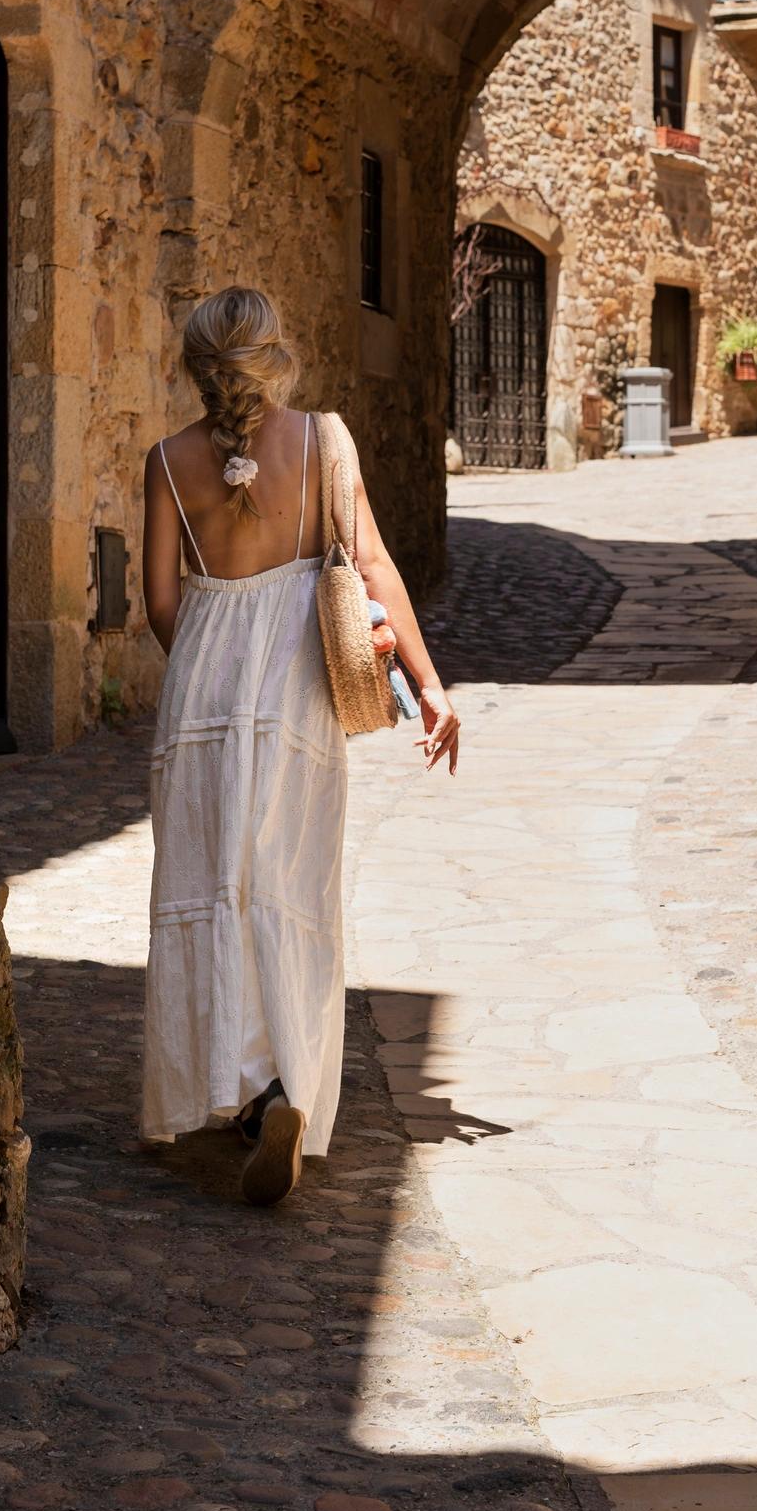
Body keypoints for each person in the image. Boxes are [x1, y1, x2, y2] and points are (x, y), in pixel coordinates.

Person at [140, 286, 460, 1207]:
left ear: (196, 366)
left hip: (201, 685)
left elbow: (162, 605)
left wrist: (211, 662)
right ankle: (285, 1087)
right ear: (272, 355)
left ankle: (237, 1095)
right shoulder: (324, 440)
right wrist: (430, 687)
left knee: (208, 883)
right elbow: (370, 564)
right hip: (297, 686)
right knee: (289, 881)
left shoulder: (166, 463)